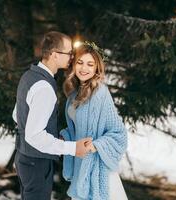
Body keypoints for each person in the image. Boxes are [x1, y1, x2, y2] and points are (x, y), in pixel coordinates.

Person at [12, 31, 92, 200]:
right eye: (68, 53)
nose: (71, 57)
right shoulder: (44, 88)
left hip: (25, 158)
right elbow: (34, 136)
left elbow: (16, 115)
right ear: (55, 55)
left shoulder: (29, 76)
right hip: (36, 163)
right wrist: (72, 148)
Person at [60, 41, 128, 200]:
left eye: (90, 64)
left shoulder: (100, 94)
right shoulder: (73, 95)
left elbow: (119, 134)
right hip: (80, 165)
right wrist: (65, 136)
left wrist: (96, 145)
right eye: (80, 62)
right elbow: (75, 130)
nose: (84, 68)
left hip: (97, 168)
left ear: (97, 68)